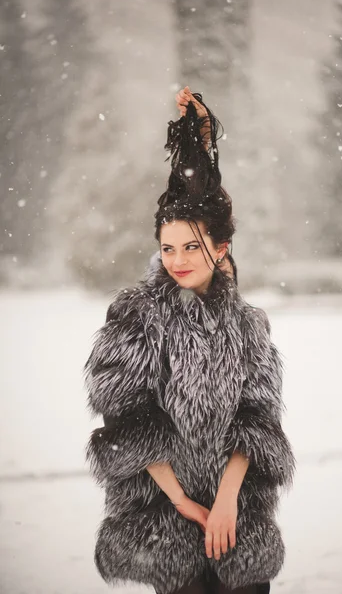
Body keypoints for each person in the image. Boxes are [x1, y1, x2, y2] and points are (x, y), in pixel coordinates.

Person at [83, 86, 295, 594]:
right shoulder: (136, 316)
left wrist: (225, 501)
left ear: (221, 250)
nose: (177, 259)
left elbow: (258, 417)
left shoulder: (246, 322)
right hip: (165, 515)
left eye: (191, 247)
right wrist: (182, 502)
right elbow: (127, 419)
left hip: (237, 512)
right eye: (167, 247)